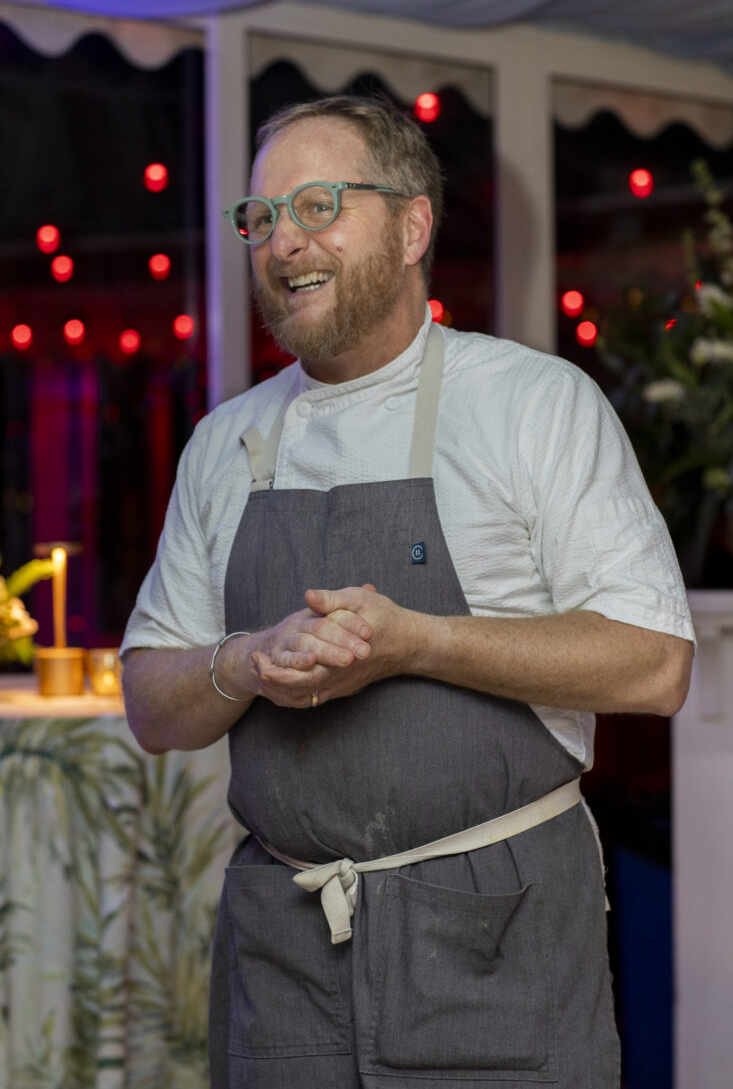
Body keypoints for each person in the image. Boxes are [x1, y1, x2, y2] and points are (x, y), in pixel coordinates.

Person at [121, 95, 695, 1089]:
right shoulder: (225, 443)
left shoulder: (528, 402)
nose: (279, 241)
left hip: (493, 941)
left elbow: (654, 662)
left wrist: (413, 642)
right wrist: (243, 660)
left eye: (314, 205)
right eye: (259, 216)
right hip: (283, 953)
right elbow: (150, 704)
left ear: (412, 224)